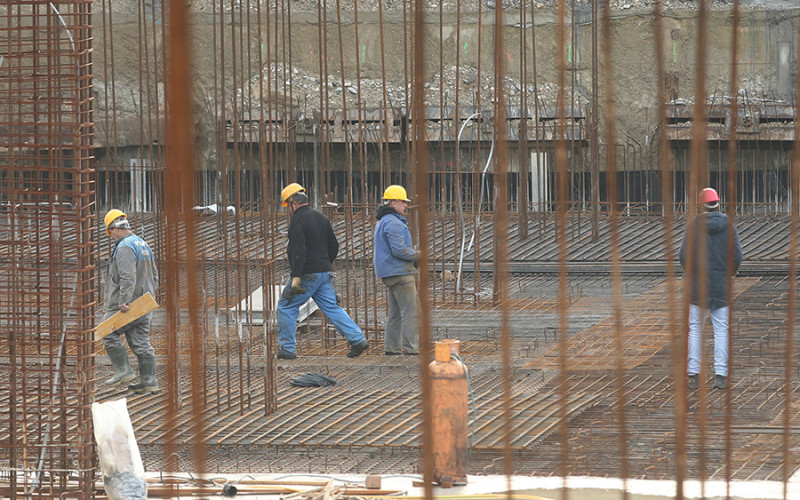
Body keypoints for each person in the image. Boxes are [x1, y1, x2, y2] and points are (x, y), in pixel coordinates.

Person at [276, 183, 369, 359]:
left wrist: (296, 277)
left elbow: (298, 251)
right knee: (331, 307)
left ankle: (287, 349)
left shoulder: (297, 220)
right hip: (324, 272)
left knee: (286, 307)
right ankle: (357, 339)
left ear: (292, 203)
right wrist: (325, 263)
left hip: (307, 274)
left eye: (287, 206)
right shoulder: (320, 217)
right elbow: (334, 245)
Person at [679, 187, 743, 391]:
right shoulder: (729, 226)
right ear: (718, 204)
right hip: (722, 285)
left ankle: (693, 375)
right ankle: (721, 376)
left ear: (700, 205)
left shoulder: (693, 226)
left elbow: (683, 256)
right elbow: (737, 256)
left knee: (695, 330)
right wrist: (729, 273)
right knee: (722, 330)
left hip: (698, 286)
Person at [102, 209, 160, 393]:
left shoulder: (125, 247)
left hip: (131, 304)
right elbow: (155, 276)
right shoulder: (142, 243)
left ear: (114, 229)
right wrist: (148, 298)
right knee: (139, 340)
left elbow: (127, 276)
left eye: (110, 232)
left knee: (106, 330)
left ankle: (123, 370)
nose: (110, 236)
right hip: (145, 303)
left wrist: (124, 301)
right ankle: (149, 381)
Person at [373, 185, 420, 356]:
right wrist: (417, 255)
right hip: (399, 272)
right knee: (411, 311)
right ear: (393, 203)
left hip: (389, 273)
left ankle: (391, 348)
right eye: (403, 202)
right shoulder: (393, 223)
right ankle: (412, 348)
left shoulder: (383, 221)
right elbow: (399, 250)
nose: (405, 205)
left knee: (395, 313)